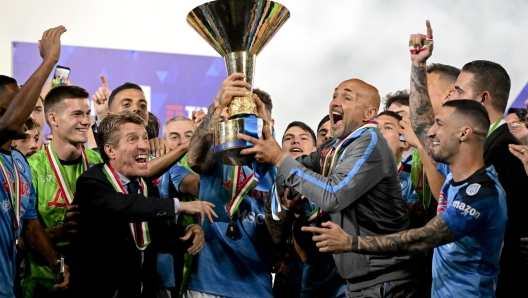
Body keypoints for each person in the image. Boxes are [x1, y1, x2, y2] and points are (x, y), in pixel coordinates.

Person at [239, 78, 424, 297]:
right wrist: (263, 129)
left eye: (347, 97)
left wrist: (279, 158)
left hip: (388, 284)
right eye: (335, 95)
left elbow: (333, 195)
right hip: (359, 284)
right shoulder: (333, 149)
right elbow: (291, 171)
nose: (336, 101)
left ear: (368, 114)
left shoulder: (370, 140)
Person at [304, 100, 507, 298]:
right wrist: (416, 65)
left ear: (464, 133)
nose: (431, 132)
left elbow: (423, 238)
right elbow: (422, 128)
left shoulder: (482, 194)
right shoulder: (454, 176)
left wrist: (351, 243)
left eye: (440, 124)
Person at [409, 20, 528, 296]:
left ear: (482, 98)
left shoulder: (509, 148)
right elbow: (423, 128)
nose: (453, 95)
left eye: (460, 90)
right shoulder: (468, 146)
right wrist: (417, 66)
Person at [67, 112, 216, 298]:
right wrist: (179, 206)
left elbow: (156, 236)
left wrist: (189, 231)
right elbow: (122, 206)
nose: (144, 145)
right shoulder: (92, 182)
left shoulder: (146, 187)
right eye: (133, 139)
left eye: (145, 138)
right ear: (110, 150)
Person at [185, 74, 278, 298]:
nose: (244, 124)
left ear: (269, 122)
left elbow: (278, 232)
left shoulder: (279, 163)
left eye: (252, 117)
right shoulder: (217, 153)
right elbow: (194, 160)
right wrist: (217, 106)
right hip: (207, 284)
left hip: (256, 287)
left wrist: (271, 162)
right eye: (239, 116)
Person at [0, 25, 70, 298]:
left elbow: (30, 226)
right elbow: (9, 123)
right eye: (16, 100)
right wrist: (49, 61)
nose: (27, 107)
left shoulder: (19, 164)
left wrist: (54, 261)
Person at [19, 85, 103, 297]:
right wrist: (60, 232)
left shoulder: (101, 164)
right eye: (77, 114)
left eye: (87, 114)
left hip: (93, 281)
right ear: (53, 119)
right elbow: (18, 242)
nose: (86, 121)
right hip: (43, 284)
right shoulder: (30, 169)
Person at [279, 121, 346, 298]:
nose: (329, 136)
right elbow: (306, 255)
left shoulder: (353, 180)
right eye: (323, 133)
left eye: (333, 132)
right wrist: (299, 214)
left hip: (347, 289)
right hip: (306, 288)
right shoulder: (296, 190)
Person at [376, 111, 416, 204]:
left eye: (388, 127)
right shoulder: (356, 172)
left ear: (404, 142)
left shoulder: (414, 178)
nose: (379, 131)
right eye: (376, 127)